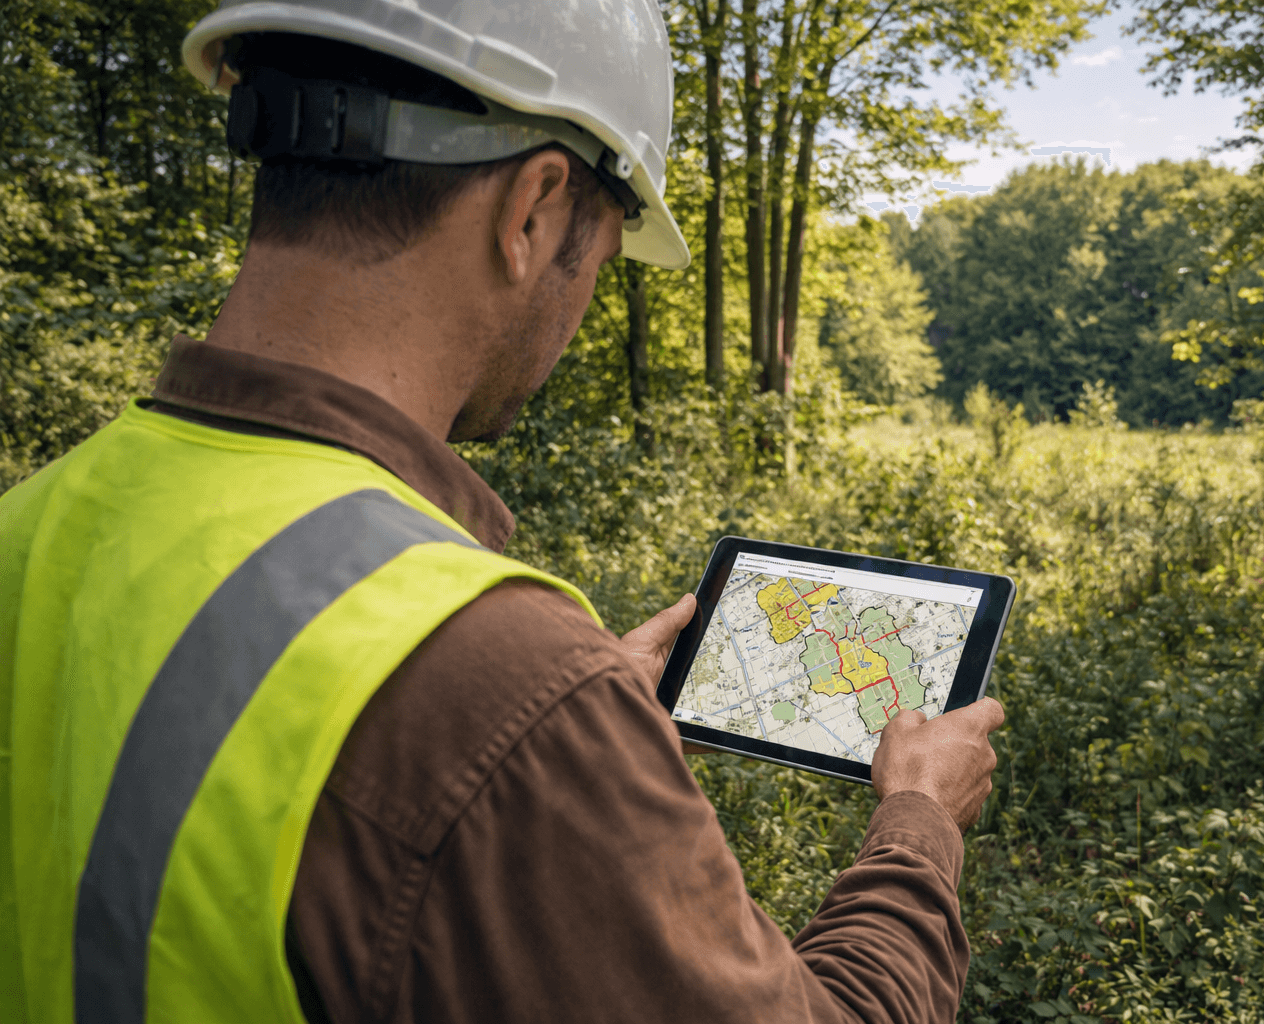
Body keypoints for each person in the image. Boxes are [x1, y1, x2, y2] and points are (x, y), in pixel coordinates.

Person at [0, 2, 1005, 1022]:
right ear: (532, 209)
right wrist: (920, 822)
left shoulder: (31, 522)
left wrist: (550, 729)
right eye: (603, 259)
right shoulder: (503, 681)